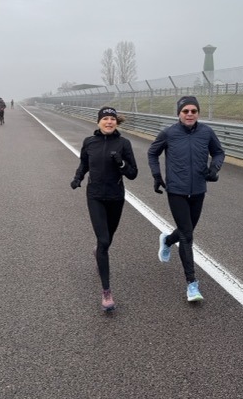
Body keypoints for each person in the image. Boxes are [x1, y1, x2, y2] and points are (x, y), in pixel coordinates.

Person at [147, 95, 225, 302]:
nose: (190, 114)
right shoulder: (168, 133)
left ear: (198, 113)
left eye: (193, 111)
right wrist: (157, 175)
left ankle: (167, 240)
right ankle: (192, 284)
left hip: (198, 190)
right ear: (179, 113)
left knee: (186, 230)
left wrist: (214, 168)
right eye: (185, 111)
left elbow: (219, 153)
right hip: (176, 191)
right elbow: (152, 153)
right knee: (187, 236)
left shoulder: (206, 132)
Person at [70, 107, 138, 311]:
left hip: (116, 197)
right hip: (95, 196)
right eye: (105, 118)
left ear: (116, 122)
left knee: (108, 240)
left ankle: (99, 251)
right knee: (104, 240)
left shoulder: (124, 143)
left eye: (112, 119)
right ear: (98, 121)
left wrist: (121, 163)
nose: (109, 122)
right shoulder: (89, 142)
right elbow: (84, 164)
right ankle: (106, 292)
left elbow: (133, 173)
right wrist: (78, 178)